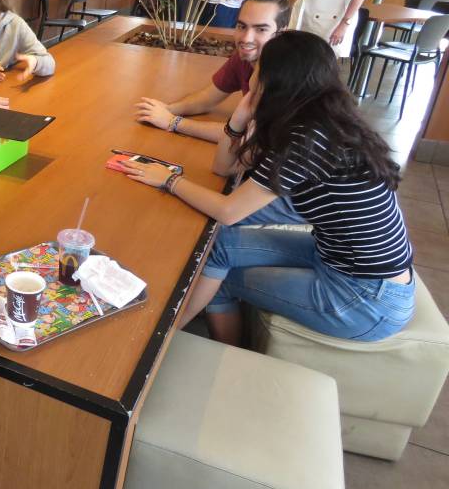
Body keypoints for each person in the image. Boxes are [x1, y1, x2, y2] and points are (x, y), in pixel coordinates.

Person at [122, 31, 414, 347]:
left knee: (223, 278)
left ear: (274, 81)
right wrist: (237, 120)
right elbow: (223, 168)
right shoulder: (319, 119)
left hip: (366, 299)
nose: (251, 74)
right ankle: (170, 334)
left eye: (258, 69)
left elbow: (228, 211)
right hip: (342, 263)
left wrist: (168, 180)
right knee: (219, 246)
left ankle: (160, 344)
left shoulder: (306, 139)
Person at [134, 0, 289, 143]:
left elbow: (249, 137)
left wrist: (173, 122)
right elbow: (207, 99)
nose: (246, 38)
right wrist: (167, 109)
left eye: (261, 29)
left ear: (282, 32)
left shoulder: (286, 74)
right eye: (242, 26)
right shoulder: (243, 59)